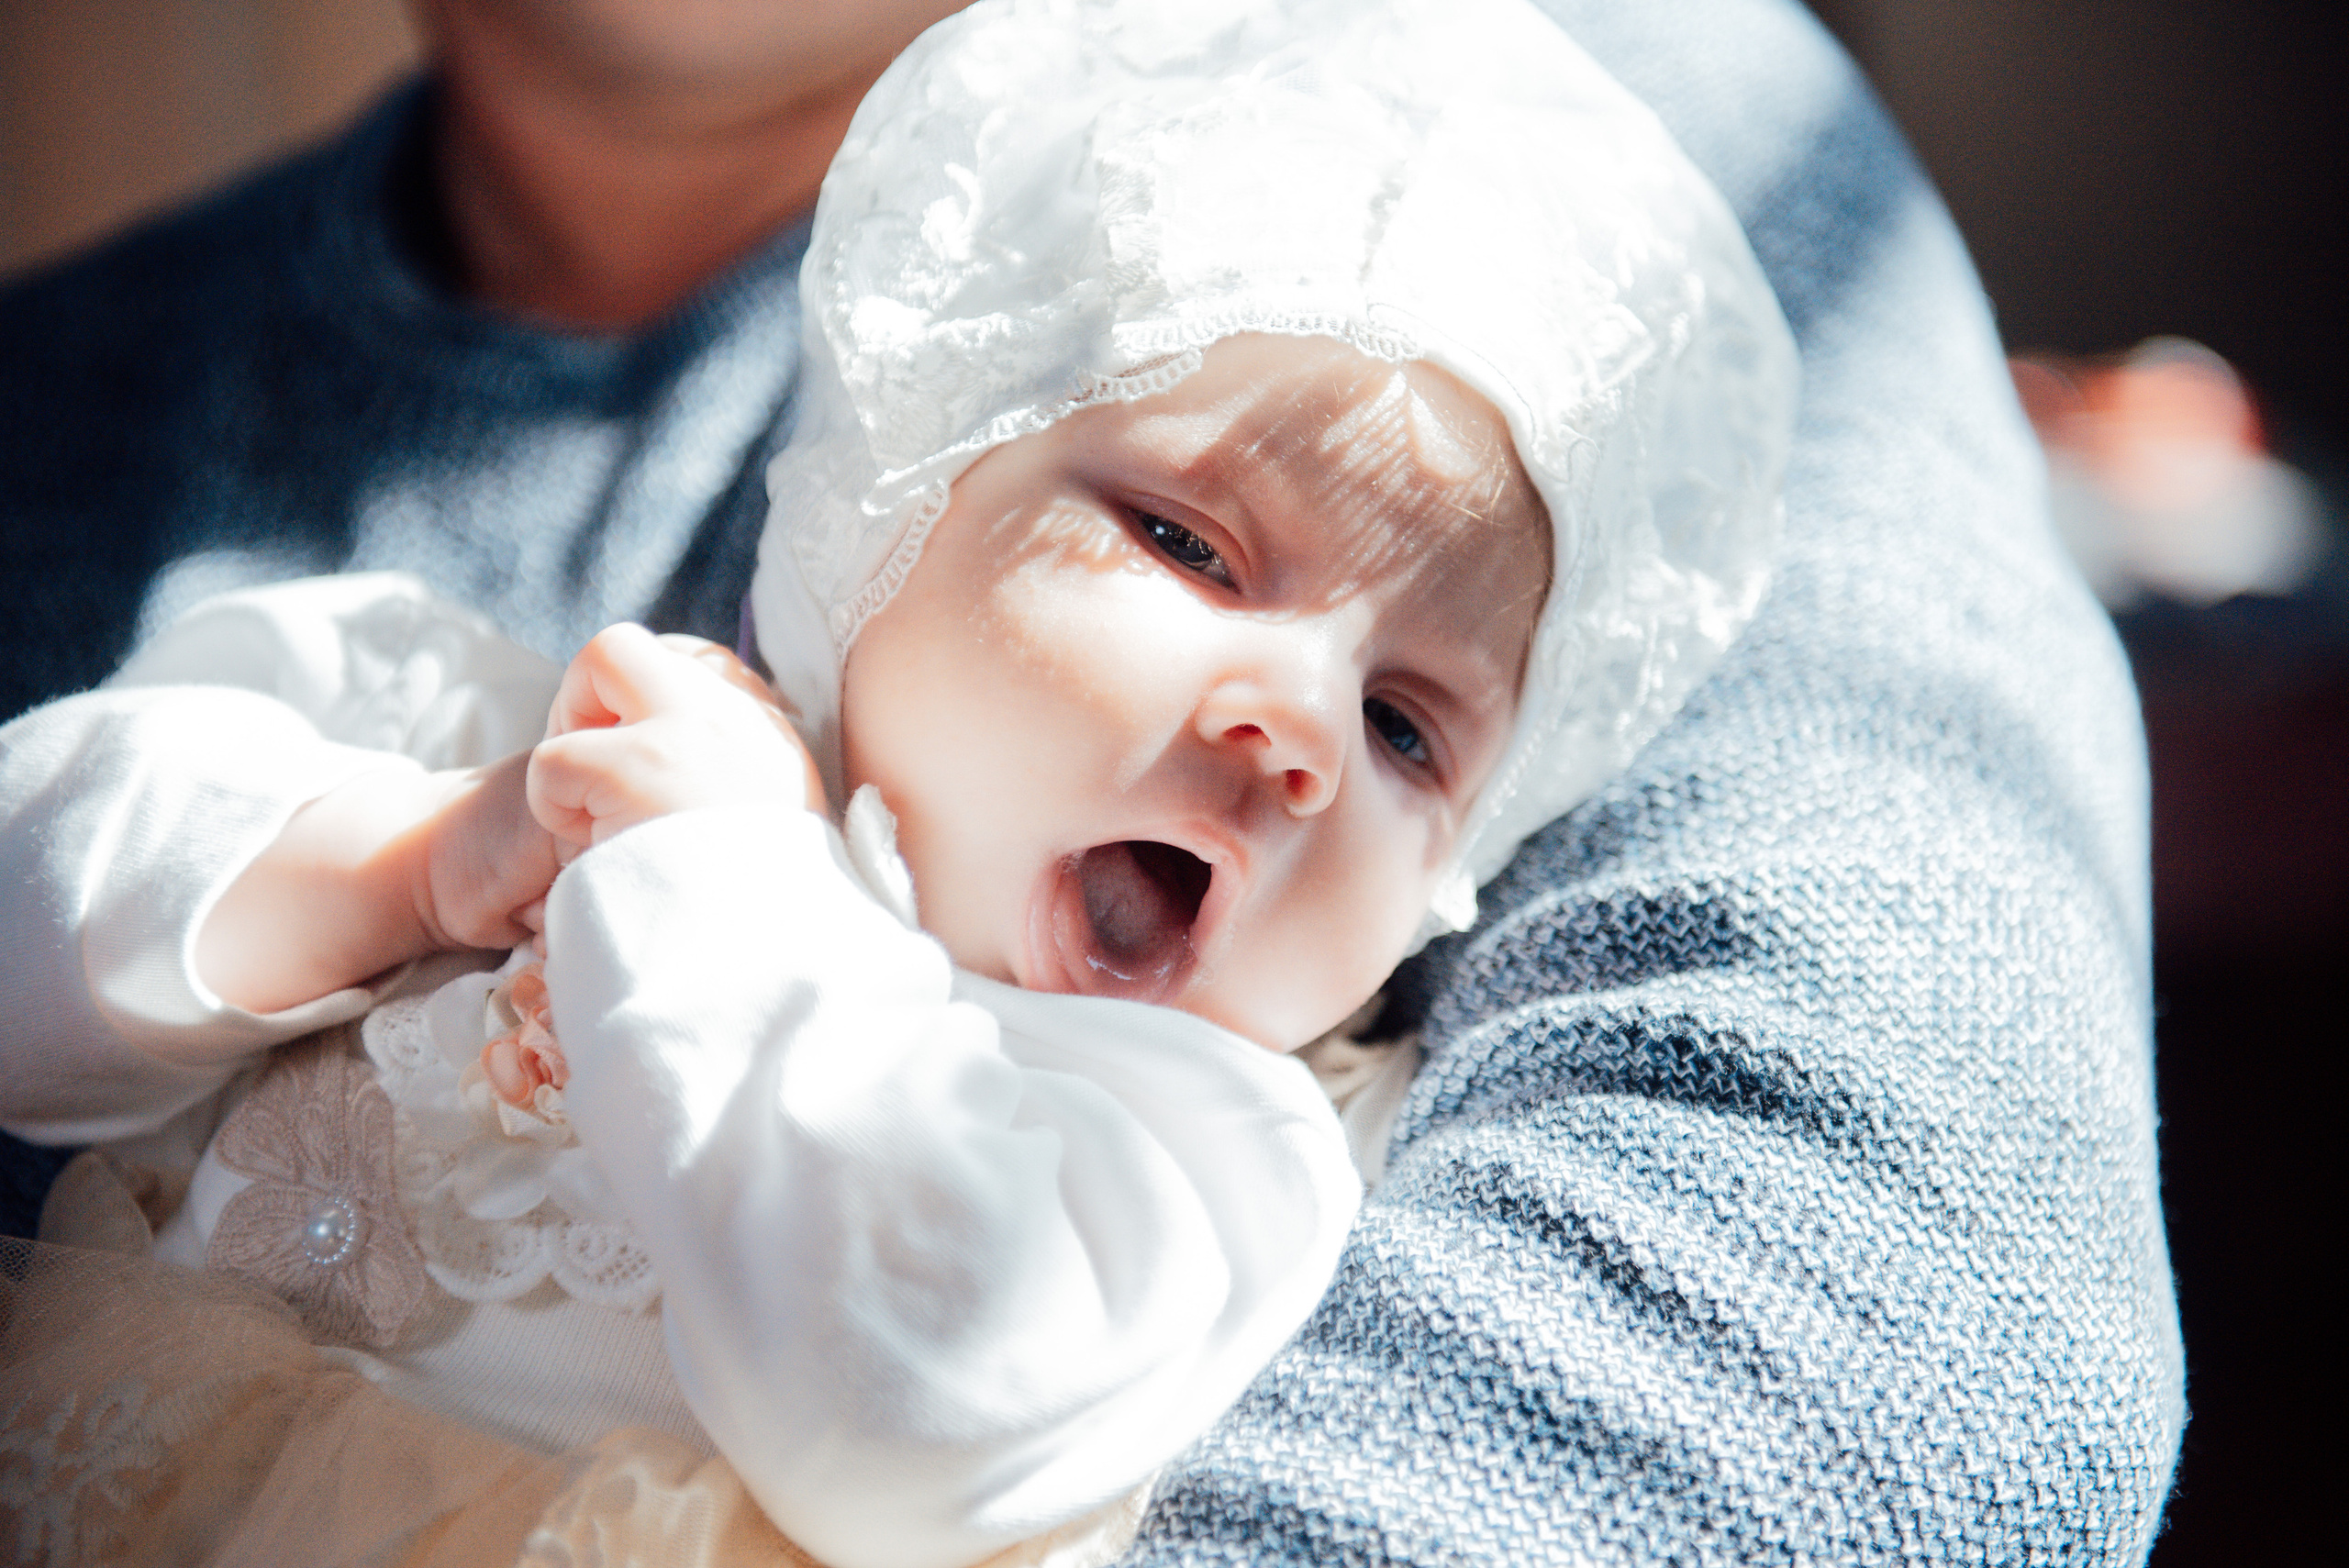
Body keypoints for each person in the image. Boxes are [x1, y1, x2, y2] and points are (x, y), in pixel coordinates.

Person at [0, 1, 2185, 1564]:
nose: (1295, 723)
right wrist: (393, 862)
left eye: (1414, 731)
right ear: (871, 528)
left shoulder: (1181, 1158)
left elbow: (914, 1405)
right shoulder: (475, 730)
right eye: (1185, 546)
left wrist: (721, 901)